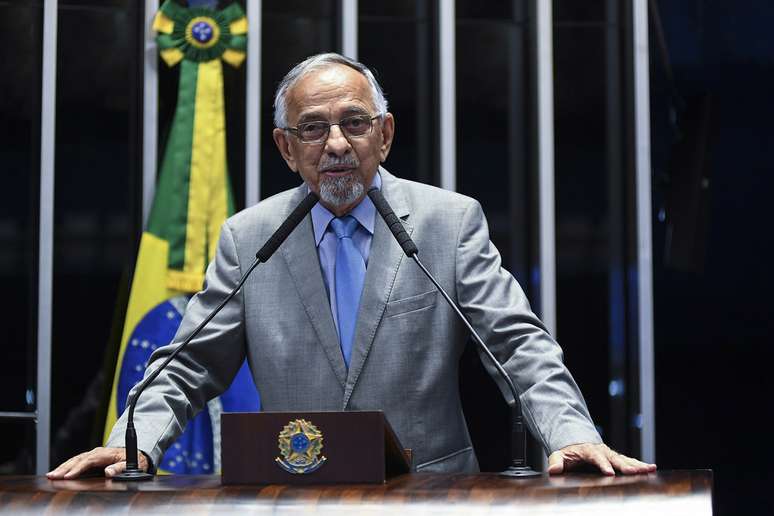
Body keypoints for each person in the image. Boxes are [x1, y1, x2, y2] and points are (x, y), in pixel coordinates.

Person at [48, 53, 655, 480]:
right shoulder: (250, 237)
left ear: (384, 135)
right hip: (291, 494)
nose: (336, 144)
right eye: (312, 128)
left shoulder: (447, 223)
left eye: (354, 123)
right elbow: (186, 367)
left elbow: (517, 348)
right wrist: (132, 440)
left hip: (429, 496)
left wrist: (570, 433)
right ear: (286, 148)